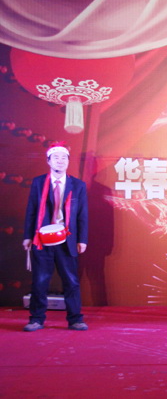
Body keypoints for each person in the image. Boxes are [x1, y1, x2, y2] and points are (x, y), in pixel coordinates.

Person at [22, 142, 89, 332]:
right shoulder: (38, 182)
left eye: (64, 158)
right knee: (40, 280)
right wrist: (27, 236)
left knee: (71, 281)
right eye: (56, 158)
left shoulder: (78, 185)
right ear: (48, 161)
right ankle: (36, 319)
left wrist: (82, 239)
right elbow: (31, 210)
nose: (60, 161)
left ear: (68, 161)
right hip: (42, 239)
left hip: (67, 239)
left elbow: (82, 214)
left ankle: (75, 319)